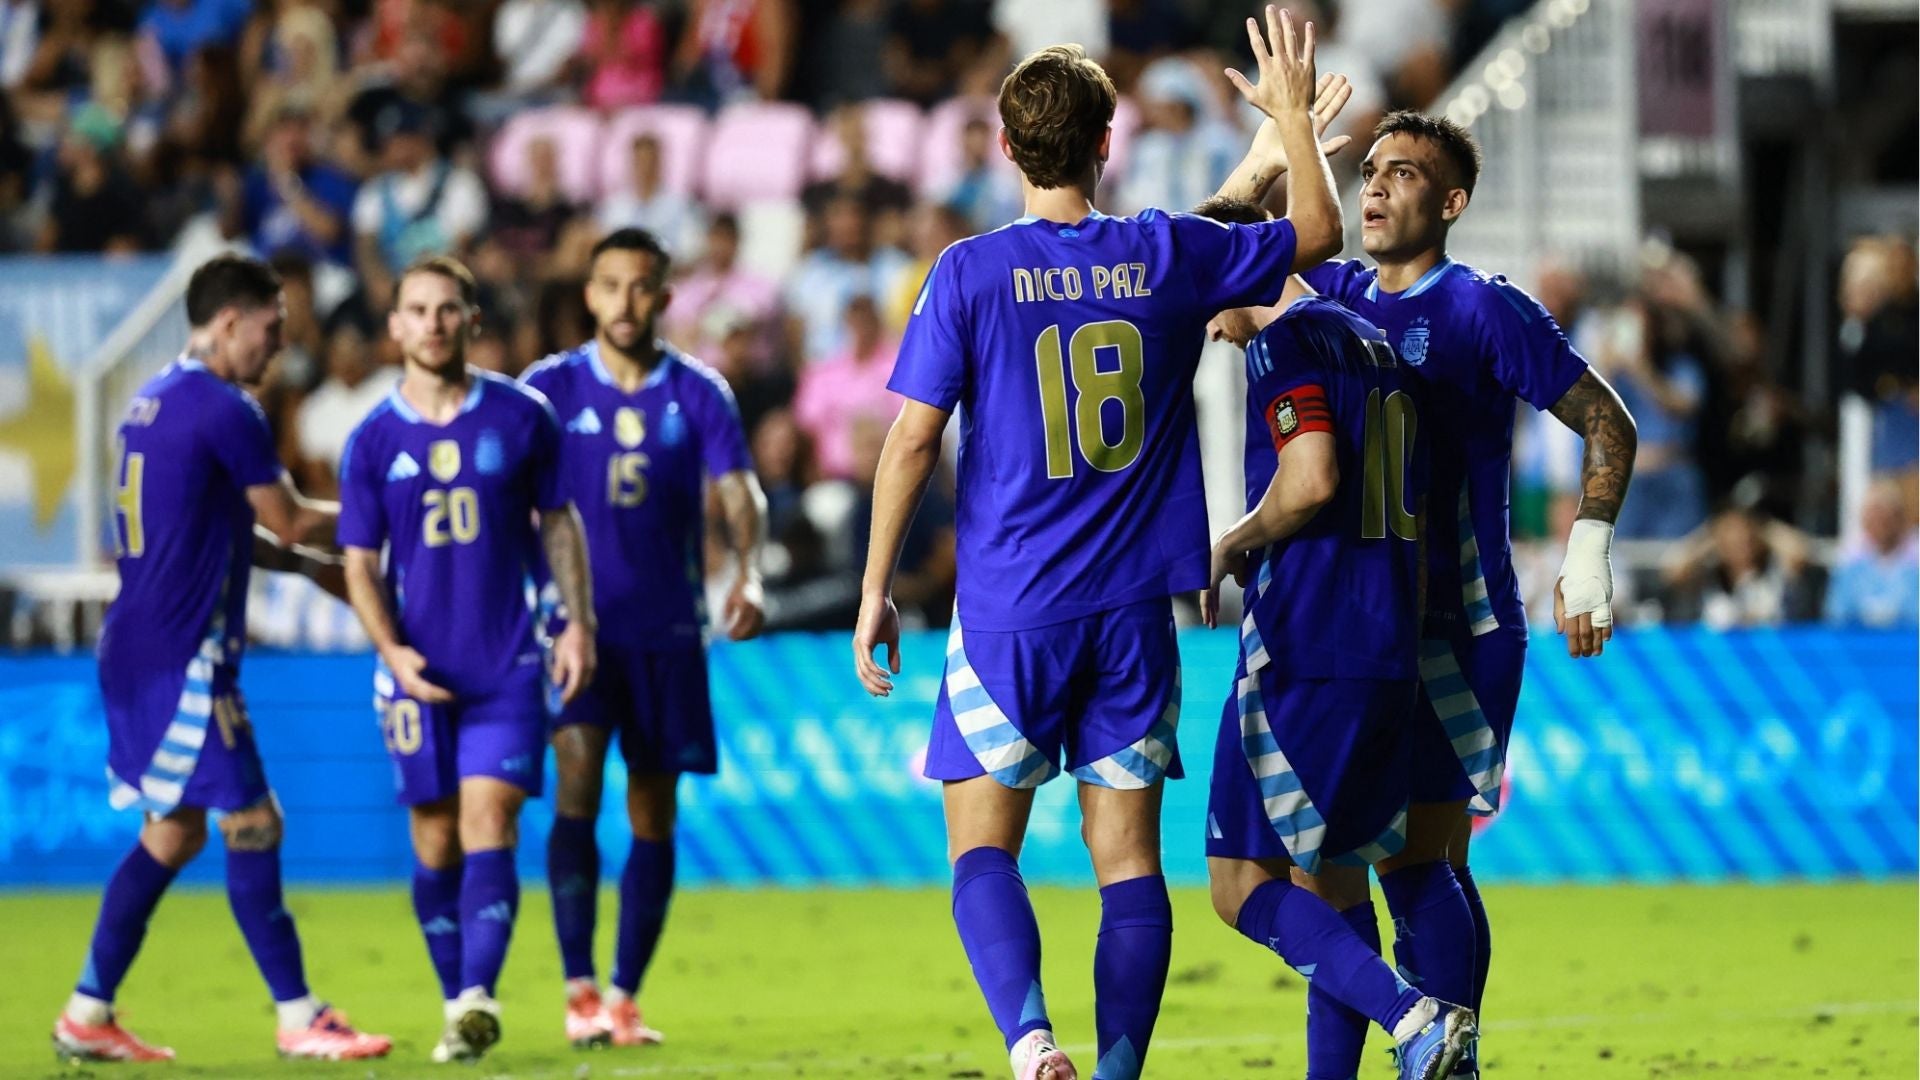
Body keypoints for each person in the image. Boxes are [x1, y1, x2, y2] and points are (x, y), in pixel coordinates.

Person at [852, 14, 1343, 1079]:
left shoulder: (970, 272)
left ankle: (1033, 1046)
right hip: (1135, 614)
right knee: (1126, 865)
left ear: (1005, 146)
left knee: (983, 849)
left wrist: (876, 588)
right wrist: (1290, 131)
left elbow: (913, 439)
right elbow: (1313, 231)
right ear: (1105, 142)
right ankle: (1118, 1072)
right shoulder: (1163, 252)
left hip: (1009, 612)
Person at [1217, 105, 1639, 1080]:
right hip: (1362, 626)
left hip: (1461, 623)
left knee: (1419, 865)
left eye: (1403, 172)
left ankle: (1450, 1056)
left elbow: (1609, 424)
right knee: (1328, 873)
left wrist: (1588, 556)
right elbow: (1221, 259)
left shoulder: (1481, 309)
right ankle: (1406, 1053)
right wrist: (1267, 156)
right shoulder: (1337, 293)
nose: (1374, 183)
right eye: (1369, 167)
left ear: (1450, 203)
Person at [52, 254, 391, 1064]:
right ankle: (300, 1015)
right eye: (271, 330)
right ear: (229, 321)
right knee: (254, 822)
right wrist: (385, 522)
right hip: (183, 656)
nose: (278, 348)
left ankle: (88, 1013)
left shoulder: (152, 402)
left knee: (173, 837)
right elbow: (289, 515)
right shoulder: (226, 407)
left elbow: (230, 532)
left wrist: (316, 572)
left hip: (136, 647)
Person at [1192, 195, 1473, 1080]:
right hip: (1387, 647)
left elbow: (1310, 479)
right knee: (1336, 881)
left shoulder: (1286, 342)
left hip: (1309, 646)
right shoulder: (1378, 347)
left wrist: (1235, 538)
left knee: (1240, 886)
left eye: (1211, 294)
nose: (1213, 326)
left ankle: (1413, 1015)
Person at [338, 256, 596, 1063]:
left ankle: (478, 996)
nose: (434, 323)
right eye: (417, 310)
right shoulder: (371, 440)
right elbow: (359, 562)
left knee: (493, 819)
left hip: (508, 664)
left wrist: (577, 624)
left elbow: (559, 525)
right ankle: (457, 1001)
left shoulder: (522, 418)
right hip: (417, 670)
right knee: (434, 838)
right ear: (396, 327)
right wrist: (392, 652)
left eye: (448, 309)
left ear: (472, 320)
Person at [520, 228, 766, 1049]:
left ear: (664, 298)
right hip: (578, 632)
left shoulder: (697, 392)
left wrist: (749, 571)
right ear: (589, 294)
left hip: (668, 632)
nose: (625, 302)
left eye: (641, 287)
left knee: (653, 811)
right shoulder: (547, 390)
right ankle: (578, 987)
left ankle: (624, 995)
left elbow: (740, 490)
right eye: (610, 285)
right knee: (578, 786)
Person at [1824, 480, 1919, 628]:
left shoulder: (1915, 561)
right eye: (1872, 517)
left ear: (1899, 518)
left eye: (1884, 517)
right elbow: (1836, 615)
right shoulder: (1850, 561)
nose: (1879, 524)